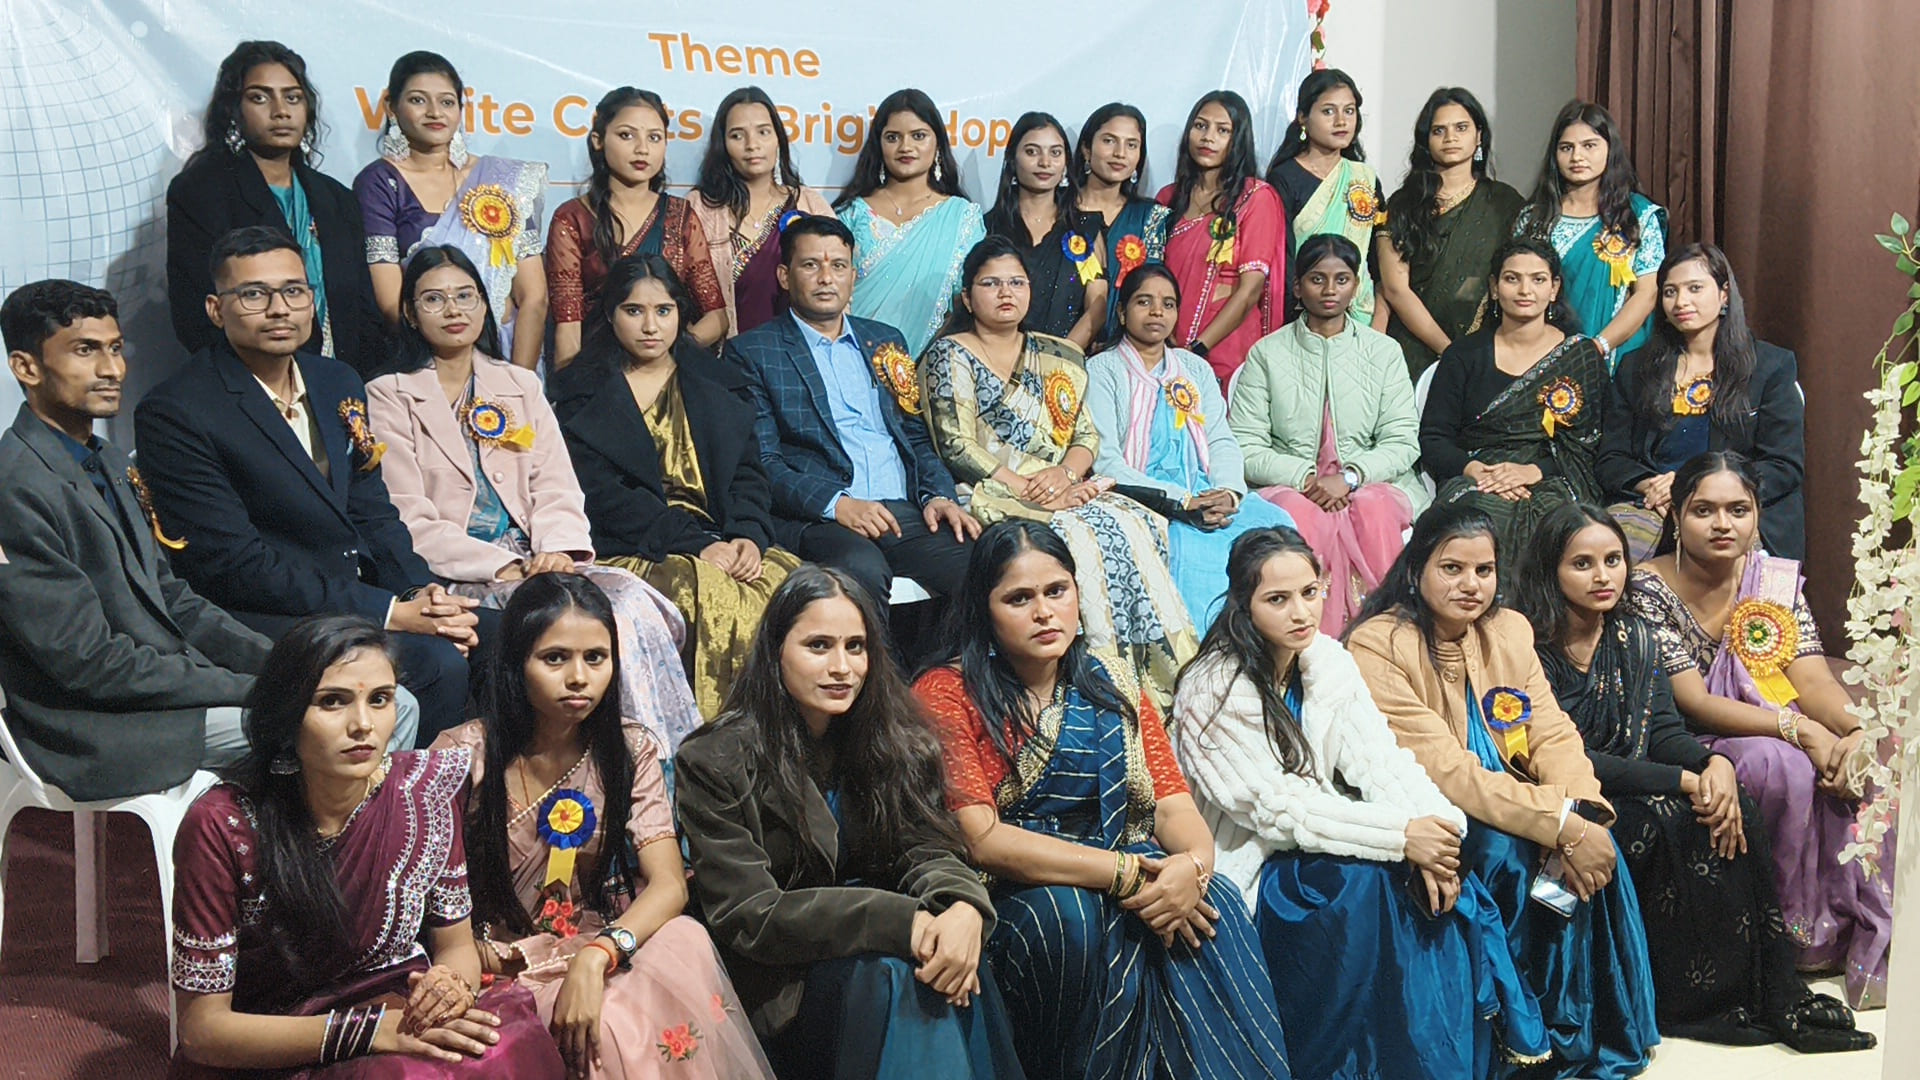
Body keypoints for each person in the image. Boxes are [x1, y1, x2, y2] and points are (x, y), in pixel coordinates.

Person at [913, 521, 1290, 1080]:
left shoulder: (1111, 681)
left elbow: (1171, 804)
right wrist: (1123, 875)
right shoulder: (950, 691)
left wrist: (1192, 866)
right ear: (984, 610)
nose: (1044, 612)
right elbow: (982, 838)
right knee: (1069, 917)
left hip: (1124, 868)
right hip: (1015, 890)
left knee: (1219, 904)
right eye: (1019, 598)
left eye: (1056, 591)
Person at [1174, 527, 1551, 1080]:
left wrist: (1439, 834)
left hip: (1319, 835)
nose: (1301, 612)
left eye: (1310, 592)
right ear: (1243, 603)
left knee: (1440, 883)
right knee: (1361, 887)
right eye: (1277, 599)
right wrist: (1401, 837)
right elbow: (1276, 809)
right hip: (1247, 860)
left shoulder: (1324, 658)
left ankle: (1427, 1065)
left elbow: (1381, 761)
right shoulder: (1212, 687)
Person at [1520, 503, 1874, 1051]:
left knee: (1733, 805)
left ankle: (1751, 989)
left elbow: (1665, 730)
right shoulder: (1529, 649)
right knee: (1662, 821)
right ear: (1550, 570)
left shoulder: (1634, 635)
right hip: (1575, 792)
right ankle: (1682, 1000)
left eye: (1613, 560)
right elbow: (1572, 756)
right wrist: (1684, 781)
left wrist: (1714, 766)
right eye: (1582, 564)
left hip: (1645, 778)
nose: (1602, 576)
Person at [169, 616, 561, 1079]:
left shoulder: (424, 793)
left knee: (507, 1045)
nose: (363, 725)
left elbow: (456, 947)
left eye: (380, 699)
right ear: (287, 714)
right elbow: (202, 1031)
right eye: (332, 702)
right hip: (276, 1045)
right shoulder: (225, 826)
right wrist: (368, 1031)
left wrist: (450, 984)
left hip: (400, 1015)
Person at [134, 226, 484, 743]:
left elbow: (373, 510)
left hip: (357, 597)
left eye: (294, 291)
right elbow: (234, 565)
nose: (280, 309)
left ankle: (486, 791)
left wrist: (420, 593)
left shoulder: (335, 380)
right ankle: (402, 795)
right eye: (254, 294)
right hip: (266, 614)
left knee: (501, 637)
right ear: (215, 309)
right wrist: (390, 612)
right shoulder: (177, 411)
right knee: (438, 662)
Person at [1347, 504, 1660, 1079]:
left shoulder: (1508, 630)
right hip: (1431, 807)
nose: (1471, 585)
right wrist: (1559, 824)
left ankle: (1579, 1037)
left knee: (1598, 847)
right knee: (1505, 856)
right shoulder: (1377, 644)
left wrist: (1582, 813)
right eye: (1452, 569)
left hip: (1518, 795)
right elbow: (1447, 771)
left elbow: (1553, 733)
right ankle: (1518, 1044)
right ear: (1416, 568)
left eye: (1484, 570)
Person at [675, 565, 1024, 1079]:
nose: (842, 667)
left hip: (891, 952)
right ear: (775, 651)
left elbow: (928, 848)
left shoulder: (896, 739)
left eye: (855, 647)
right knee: (894, 973)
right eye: (819, 646)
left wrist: (961, 907)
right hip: (782, 980)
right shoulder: (714, 759)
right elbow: (751, 916)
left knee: (951, 959)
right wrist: (903, 923)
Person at [364, 246, 702, 758]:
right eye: (434, 299)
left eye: (466, 296)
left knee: (627, 604)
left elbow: (557, 484)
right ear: (410, 313)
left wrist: (557, 549)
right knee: (561, 621)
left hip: (543, 559)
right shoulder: (387, 394)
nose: (454, 310)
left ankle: (660, 763)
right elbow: (406, 515)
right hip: (466, 572)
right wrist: (504, 565)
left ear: (486, 305)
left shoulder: (519, 384)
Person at [432, 575, 774, 1079]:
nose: (579, 678)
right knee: (611, 1026)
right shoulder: (461, 757)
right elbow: (440, 916)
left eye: (596, 658)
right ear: (515, 664)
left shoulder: (629, 750)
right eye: (555, 658)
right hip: (497, 961)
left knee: (685, 938)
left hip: (596, 943)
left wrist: (597, 955)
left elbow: (669, 884)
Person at [1626, 452, 1894, 1009]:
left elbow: (1811, 677)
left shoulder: (1769, 579)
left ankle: (1840, 937)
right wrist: (1799, 730)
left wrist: (1855, 732)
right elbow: (1694, 702)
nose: (1722, 524)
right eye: (1703, 510)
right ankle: (1774, 940)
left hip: (1773, 726)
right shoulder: (1645, 588)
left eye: (1737, 509)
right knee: (1778, 763)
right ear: (1676, 515)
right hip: (1688, 741)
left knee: (1875, 754)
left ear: (1757, 515)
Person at [0, 280, 271, 800]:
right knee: (323, 725)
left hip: (161, 695)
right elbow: (87, 662)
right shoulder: (14, 485)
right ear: (26, 367)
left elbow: (172, 599)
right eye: (86, 351)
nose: (113, 370)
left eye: (116, 348)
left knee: (380, 704)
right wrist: (255, 687)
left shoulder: (104, 459)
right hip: (93, 727)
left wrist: (284, 662)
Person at [920, 238, 1198, 708]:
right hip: (992, 487)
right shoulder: (949, 355)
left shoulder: (1057, 355)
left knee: (1135, 521)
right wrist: (1032, 490)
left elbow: (1086, 437)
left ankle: (1160, 681)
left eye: (1016, 282)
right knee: (1080, 537)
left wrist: (1065, 476)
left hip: (1063, 485)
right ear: (967, 297)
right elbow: (956, 444)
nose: (1005, 293)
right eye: (990, 284)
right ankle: (1096, 683)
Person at [549, 254, 801, 719]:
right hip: (639, 546)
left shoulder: (719, 381)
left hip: (725, 537)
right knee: (706, 589)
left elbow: (748, 474)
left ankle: (780, 740)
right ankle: (705, 738)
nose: (651, 326)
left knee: (791, 585)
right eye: (634, 311)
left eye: (663, 311)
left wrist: (748, 535)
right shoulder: (580, 392)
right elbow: (602, 496)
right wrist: (698, 545)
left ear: (681, 314)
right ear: (610, 315)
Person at [726, 214, 980, 610]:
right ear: (784, 276)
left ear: (853, 276)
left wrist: (938, 495)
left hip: (902, 510)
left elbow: (914, 435)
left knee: (982, 563)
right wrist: (838, 504)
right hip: (822, 516)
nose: (826, 278)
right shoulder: (752, 352)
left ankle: (947, 655)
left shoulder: (885, 340)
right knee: (862, 570)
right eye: (811, 265)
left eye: (839, 266)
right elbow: (764, 463)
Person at [1083, 264, 1297, 624]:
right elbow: (1107, 462)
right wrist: (1182, 502)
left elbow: (1221, 439)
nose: (1157, 312)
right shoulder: (1102, 369)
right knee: (1193, 551)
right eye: (1144, 302)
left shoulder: (1194, 368)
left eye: (1167, 304)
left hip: (1206, 490)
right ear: (1121, 312)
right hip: (1144, 497)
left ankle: (1274, 642)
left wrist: (1228, 492)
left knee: (1277, 526)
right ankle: (1207, 649)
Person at [1232, 234, 1423, 635]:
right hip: (1291, 483)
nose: (1330, 290)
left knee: (1372, 508)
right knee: (1298, 513)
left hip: (1371, 481)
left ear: (1356, 286)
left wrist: (1350, 477)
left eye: (1342, 279)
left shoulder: (1383, 352)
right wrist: (1305, 477)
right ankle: (1304, 635)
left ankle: (1385, 630)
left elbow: (1402, 440)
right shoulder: (1267, 354)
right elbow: (1245, 444)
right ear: (1297, 286)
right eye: (1317, 279)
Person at [167, 40, 381, 376]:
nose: (281, 111)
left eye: (292, 97)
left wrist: (350, 384)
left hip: (341, 381)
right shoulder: (202, 192)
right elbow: (194, 313)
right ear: (234, 110)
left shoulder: (337, 198)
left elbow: (364, 310)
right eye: (260, 98)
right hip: (248, 381)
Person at [1421, 237, 1609, 588]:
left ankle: (1543, 619)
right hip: (1478, 475)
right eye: (1512, 279)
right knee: (1475, 518)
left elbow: (1591, 445)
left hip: (1553, 477)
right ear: (1494, 287)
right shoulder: (1463, 355)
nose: (1525, 290)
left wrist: (1532, 471)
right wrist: (1477, 471)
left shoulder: (1580, 356)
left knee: (1557, 520)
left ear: (1554, 289)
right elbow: (1434, 438)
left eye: (1538, 279)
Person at [1598, 244, 1806, 560]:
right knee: (1611, 555)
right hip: (1654, 504)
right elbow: (1612, 458)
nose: (1681, 302)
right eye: (1670, 292)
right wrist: (1650, 486)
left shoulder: (1770, 366)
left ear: (1724, 294)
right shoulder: (1634, 368)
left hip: (1734, 505)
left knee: (1737, 558)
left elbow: (1783, 465)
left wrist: (1698, 488)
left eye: (1695, 288)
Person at [353, 51, 548, 371]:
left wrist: (518, 381)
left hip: (509, 353)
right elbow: (392, 304)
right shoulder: (380, 183)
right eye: (418, 100)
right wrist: (444, 373)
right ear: (391, 107)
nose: (435, 112)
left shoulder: (500, 179)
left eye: (446, 102)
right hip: (425, 362)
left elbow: (534, 297)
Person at [547, 87, 727, 367]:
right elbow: (568, 325)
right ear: (598, 140)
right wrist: (577, 385)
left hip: (669, 373)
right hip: (598, 374)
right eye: (626, 135)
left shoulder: (679, 216)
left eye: (654, 138)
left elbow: (716, 317)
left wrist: (665, 353)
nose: (642, 149)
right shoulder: (572, 219)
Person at [1377, 87, 1526, 380]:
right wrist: (1449, 351)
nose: (1450, 138)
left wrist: (1465, 355)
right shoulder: (1402, 204)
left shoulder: (1503, 203)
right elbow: (1395, 289)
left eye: (1461, 128)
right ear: (1426, 140)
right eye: (1439, 130)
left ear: (1479, 136)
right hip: (1409, 350)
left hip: (1485, 349)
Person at [833, 89, 987, 356]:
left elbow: (968, 302)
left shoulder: (962, 217)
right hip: (851, 358)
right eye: (893, 137)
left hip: (933, 363)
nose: (905, 147)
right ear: (879, 145)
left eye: (918, 136)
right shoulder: (852, 214)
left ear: (937, 143)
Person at [1515, 101, 1667, 367]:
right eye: (1566, 148)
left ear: (1610, 149)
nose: (1577, 157)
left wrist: (1598, 346)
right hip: (1542, 357)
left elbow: (1647, 294)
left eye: (1589, 145)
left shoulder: (1637, 216)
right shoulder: (1533, 219)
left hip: (1619, 357)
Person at [1155, 90, 1284, 386]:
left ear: (1238, 140)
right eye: (1200, 126)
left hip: (1226, 347)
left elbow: (1250, 290)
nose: (1208, 137)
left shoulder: (1255, 198)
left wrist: (1198, 349)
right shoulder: (1168, 198)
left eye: (1222, 130)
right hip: (1164, 346)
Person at [690, 86, 836, 339]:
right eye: (737, 135)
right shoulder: (700, 207)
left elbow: (837, 285)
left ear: (778, 139)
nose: (752, 145)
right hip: (722, 357)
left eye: (763, 132)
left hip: (798, 355)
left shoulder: (809, 204)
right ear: (723, 145)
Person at [1265, 69, 1389, 329]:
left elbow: (1378, 261)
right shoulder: (1284, 178)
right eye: (1328, 111)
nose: (1341, 121)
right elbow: (1283, 259)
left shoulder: (1364, 178)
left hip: (1363, 316)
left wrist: (1379, 323)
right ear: (1303, 117)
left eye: (1349, 111)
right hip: (1303, 316)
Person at [983, 112, 1108, 348]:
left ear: (1066, 163)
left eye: (1055, 153)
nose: (1045, 162)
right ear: (1012, 159)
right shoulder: (987, 228)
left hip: (1065, 362)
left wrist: (1058, 357)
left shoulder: (1084, 230)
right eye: (1032, 152)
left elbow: (1097, 307)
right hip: (994, 357)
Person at [1071, 102, 1170, 344]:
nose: (1120, 153)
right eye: (1109, 141)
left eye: (1131, 145)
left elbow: (1152, 291)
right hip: (1053, 346)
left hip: (1123, 351)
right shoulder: (1058, 208)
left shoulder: (1151, 217)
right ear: (1086, 149)